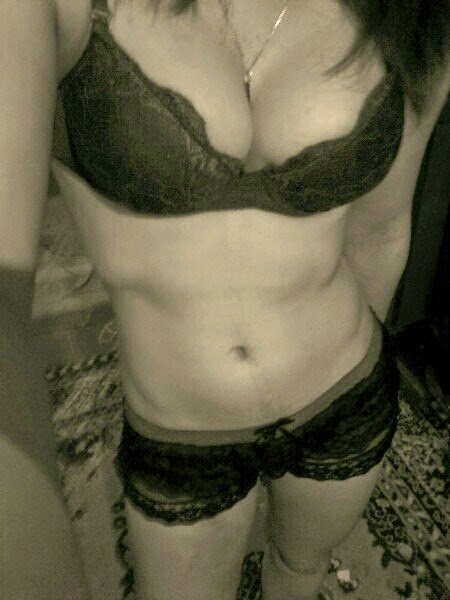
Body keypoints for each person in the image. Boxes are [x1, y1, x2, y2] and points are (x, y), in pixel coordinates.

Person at [1, 0, 449, 598]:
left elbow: (381, 229)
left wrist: (379, 367)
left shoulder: (414, 16)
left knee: (300, 568)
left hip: (346, 392)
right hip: (178, 431)